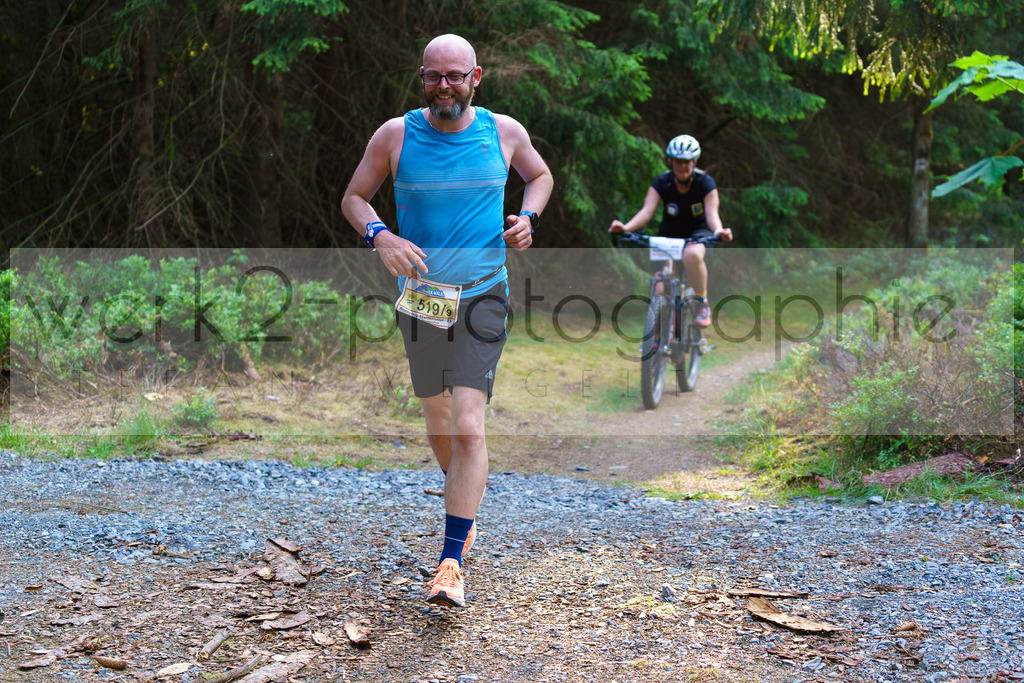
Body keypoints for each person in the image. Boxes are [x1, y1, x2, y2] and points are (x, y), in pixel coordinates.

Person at [341, 34, 553, 608]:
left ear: (475, 77)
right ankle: (466, 506)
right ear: (422, 77)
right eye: (434, 76)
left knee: (467, 424)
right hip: (424, 300)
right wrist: (380, 234)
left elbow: (541, 176)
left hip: (485, 295)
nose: (444, 87)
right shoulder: (396, 135)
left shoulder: (504, 132)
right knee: (438, 420)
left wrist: (528, 217)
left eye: (455, 76)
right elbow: (354, 198)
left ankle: (451, 561)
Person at [608, 134, 733, 327]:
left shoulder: (705, 183)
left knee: (691, 255)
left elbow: (712, 215)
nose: (682, 166)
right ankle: (657, 343)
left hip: (699, 233)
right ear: (671, 161)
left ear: (694, 162)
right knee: (660, 287)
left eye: (687, 162)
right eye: (678, 161)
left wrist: (719, 232)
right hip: (669, 235)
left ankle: (702, 304)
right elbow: (646, 211)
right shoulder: (662, 182)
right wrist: (626, 227)